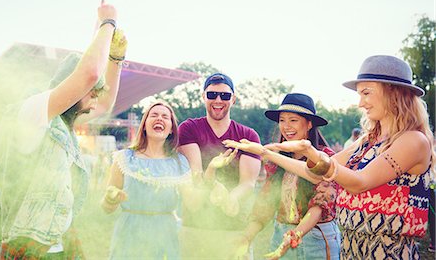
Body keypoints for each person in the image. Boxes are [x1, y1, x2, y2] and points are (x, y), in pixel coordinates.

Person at [231, 55, 434, 259]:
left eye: (366, 93)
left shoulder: (413, 141)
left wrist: (311, 152)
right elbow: (314, 174)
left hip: (387, 252)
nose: (360, 103)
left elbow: (359, 182)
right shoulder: (367, 140)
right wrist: (267, 152)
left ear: (393, 92)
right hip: (350, 250)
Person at [0, 0, 127, 259]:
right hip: (28, 249)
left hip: (58, 245)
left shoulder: (61, 123)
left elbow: (103, 100)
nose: (94, 104)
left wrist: (115, 58)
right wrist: (107, 22)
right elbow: (88, 73)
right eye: (91, 95)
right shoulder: (33, 112)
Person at [225, 93, 341, 260]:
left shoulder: (325, 158)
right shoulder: (277, 159)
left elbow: (320, 206)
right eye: (282, 120)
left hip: (315, 240)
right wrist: (246, 237)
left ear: (309, 124)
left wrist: (296, 234)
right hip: (282, 234)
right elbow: (266, 202)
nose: (286, 126)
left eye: (293, 120)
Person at [177, 72, 261, 259]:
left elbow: (248, 183)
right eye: (212, 94)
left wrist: (229, 199)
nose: (218, 100)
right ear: (203, 97)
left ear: (233, 99)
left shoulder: (249, 135)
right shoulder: (189, 128)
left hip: (235, 227)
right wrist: (213, 180)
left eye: (224, 95)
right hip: (196, 225)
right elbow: (195, 174)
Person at [101, 101, 192, 259]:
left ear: (171, 129)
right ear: (144, 125)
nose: (159, 119)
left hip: (166, 235)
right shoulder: (124, 159)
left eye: (165, 117)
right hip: (129, 234)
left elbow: (191, 203)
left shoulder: (180, 162)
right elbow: (106, 208)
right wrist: (111, 198)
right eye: (154, 115)